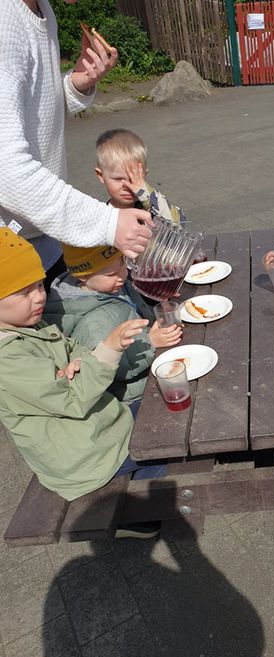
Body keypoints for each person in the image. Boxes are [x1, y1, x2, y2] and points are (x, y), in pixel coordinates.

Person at [0, 228, 168, 523]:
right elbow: (72, 397)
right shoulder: (8, 357)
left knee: (165, 414)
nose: (38, 297)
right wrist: (109, 347)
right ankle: (139, 521)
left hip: (100, 426)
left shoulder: (30, 327)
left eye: (39, 285)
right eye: (24, 292)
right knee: (163, 446)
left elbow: (75, 353)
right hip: (86, 457)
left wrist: (76, 365)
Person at [0, 0, 152, 287]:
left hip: (42, 242)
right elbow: (7, 171)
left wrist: (74, 85)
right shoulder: (4, 20)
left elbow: (32, 114)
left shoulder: (43, 10)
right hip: (9, 264)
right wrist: (108, 223)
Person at [43, 244, 183, 403]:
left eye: (124, 266)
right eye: (112, 274)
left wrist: (156, 295)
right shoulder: (92, 324)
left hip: (151, 365)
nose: (122, 275)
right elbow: (108, 368)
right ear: (83, 276)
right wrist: (150, 342)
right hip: (135, 393)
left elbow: (136, 307)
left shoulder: (111, 287)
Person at [95, 128, 185, 223]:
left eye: (134, 179)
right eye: (118, 179)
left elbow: (179, 221)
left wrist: (144, 191)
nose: (128, 186)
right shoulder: (101, 217)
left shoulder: (152, 208)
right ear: (101, 175)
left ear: (144, 176)